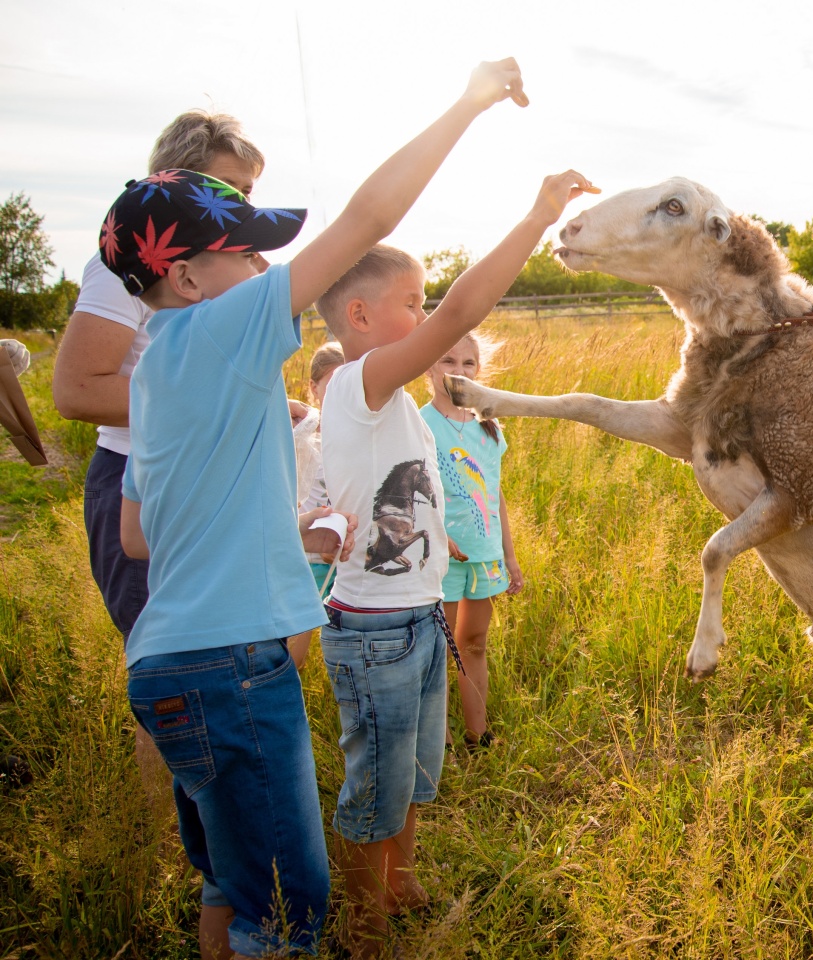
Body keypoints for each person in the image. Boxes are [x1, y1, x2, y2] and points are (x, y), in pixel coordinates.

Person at [111, 58, 541, 959]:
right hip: (232, 668)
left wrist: (286, 530)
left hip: (165, 662)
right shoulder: (215, 331)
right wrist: (466, 102)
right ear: (185, 277)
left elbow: (136, 534)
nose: (266, 265)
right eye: (245, 250)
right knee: (288, 910)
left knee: (232, 885)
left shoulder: (153, 370)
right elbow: (369, 221)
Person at [314, 171, 594, 955]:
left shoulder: (395, 399)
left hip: (419, 619)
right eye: (413, 302)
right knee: (374, 787)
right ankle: (365, 923)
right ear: (361, 316)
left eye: (425, 300)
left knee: (408, 775)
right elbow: (466, 312)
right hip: (374, 632)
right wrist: (540, 217)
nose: (427, 316)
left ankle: (399, 884)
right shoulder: (358, 383)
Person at [50, 112, 266, 805]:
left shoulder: (215, 267)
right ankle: (163, 839)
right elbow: (78, 388)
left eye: (251, 190)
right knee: (168, 668)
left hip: (203, 488)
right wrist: (208, 405)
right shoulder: (129, 264)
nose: (243, 207)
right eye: (229, 187)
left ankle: (209, 830)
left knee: (211, 663)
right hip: (142, 492)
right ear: (175, 181)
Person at [419, 331, 521, 750]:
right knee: (438, 651)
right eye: (447, 361)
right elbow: (412, 492)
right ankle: (437, 741)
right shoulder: (420, 425)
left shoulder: (488, 428)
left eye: (468, 363)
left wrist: (509, 556)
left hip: (483, 555)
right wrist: (439, 534)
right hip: (438, 557)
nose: (459, 372)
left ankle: (478, 735)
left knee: (474, 644)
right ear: (427, 366)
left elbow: (494, 494)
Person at [287, 340, 347, 667]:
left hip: (344, 556)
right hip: (306, 554)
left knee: (339, 642)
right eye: (331, 384)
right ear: (313, 386)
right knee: (296, 643)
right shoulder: (302, 431)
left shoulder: (355, 432)